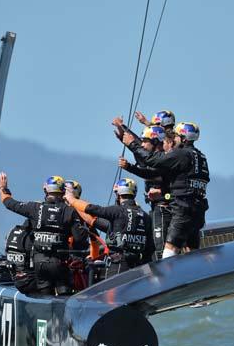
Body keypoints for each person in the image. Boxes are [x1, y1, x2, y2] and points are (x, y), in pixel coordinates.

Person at [115, 119, 209, 258]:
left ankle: (168, 278)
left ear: (182, 138)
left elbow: (151, 161)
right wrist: (130, 167)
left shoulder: (182, 154)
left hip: (183, 208)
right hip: (198, 210)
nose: (172, 139)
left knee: (168, 254)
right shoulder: (200, 156)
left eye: (175, 136)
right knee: (192, 253)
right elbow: (155, 171)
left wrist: (132, 144)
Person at [0, 173, 87, 295]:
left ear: (45, 190)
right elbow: (80, 239)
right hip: (60, 263)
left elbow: (9, 203)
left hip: (39, 263)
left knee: (45, 298)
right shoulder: (69, 211)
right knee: (64, 298)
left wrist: (3, 189)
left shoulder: (35, 207)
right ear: (63, 191)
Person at [65, 177, 153, 278]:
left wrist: (72, 200)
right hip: (140, 266)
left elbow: (92, 209)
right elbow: (150, 247)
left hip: (119, 264)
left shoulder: (117, 211)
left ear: (118, 193)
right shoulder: (146, 217)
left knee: (113, 292)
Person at [119, 125, 172, 259]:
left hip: (164, 208)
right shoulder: (155, 156)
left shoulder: (161, 158)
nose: (142, 144)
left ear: (155, 142)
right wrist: (122, 128)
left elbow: (151, 173)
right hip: (158, 207)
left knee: (160, 247)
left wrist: (162, 193)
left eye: (145, 141)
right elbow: (143, 159)